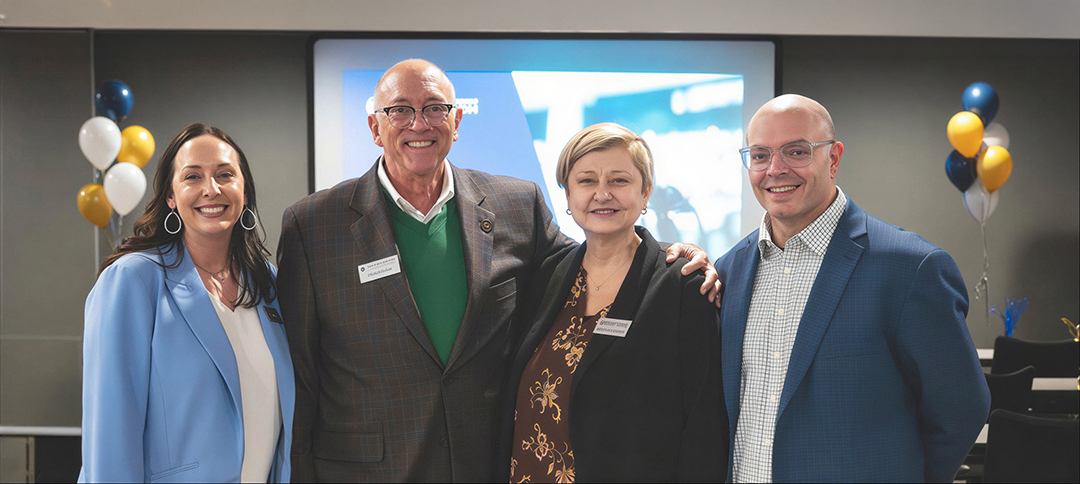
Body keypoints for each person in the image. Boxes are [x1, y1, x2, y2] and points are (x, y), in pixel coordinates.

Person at [277, 59, 719, 482]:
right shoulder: (314, 224)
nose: (420, 123)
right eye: (400, 111)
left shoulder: (515, 205)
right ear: (375, 127)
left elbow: (600, 254)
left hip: (485, 461)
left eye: (435, 109)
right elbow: (302, 375)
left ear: (456, 122)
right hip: (368, 469)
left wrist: (679, 252)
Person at [714, 94, 990, 483]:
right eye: (759, 156)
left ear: (834, 158)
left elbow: (962, 408)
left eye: (796, 151)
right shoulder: (730, 269)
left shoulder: (910, 267)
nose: (774, 169)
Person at [500, 123, 725, 482]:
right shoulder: (547, 275)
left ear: (646, 193)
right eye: (587, 181)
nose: (602, 194)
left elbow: (704, 423)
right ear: (568, 197)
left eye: (619, 181)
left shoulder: (681, 283)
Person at [80, 124, 295, 482]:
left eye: (226, 175)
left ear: (244, 190)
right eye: (192, 177)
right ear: (170, 196)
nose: (211, 189)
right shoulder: (133, 281)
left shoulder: (268, 283)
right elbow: (110, 437)